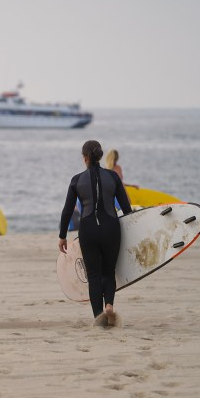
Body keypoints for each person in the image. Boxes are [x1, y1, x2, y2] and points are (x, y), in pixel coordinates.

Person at [59, 140, 132, 327]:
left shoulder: (76, 180)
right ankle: (109, 304)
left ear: (85, 158)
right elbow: (126, 208)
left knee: (93, 275)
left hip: (88, 230)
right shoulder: (113, 177)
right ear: (99, 156)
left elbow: (67, 210)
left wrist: (62, 236)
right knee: (109, 272)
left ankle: (99, 316)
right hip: (111, 228)